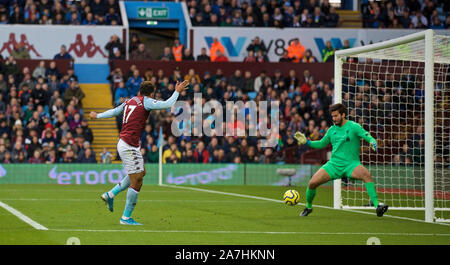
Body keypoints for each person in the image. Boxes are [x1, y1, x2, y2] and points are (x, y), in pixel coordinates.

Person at [90, 80, 190, 225]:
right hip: (128, 145)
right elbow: (168, 104)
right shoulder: (146, 101)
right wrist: (177, 91)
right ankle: (125, 218)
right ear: (151, 93)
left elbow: (114, 111)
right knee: (137, 181)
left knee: (140, 173)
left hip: (128, 143)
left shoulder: (129, 101)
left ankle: (110, 194)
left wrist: (97, 116)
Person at [294, 103, 388, 217]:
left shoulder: (354, 126)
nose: (334, 119)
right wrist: (307, 142)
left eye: (336, 116)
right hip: (334, 165)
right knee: (312, 183)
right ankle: (308, 207)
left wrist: (372, 142)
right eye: (332, 116)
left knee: (366, 175)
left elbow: (368, 136)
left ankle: (377, 205)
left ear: (343, 114)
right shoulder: (331, 130)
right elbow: (321, 144)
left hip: (351, 164)